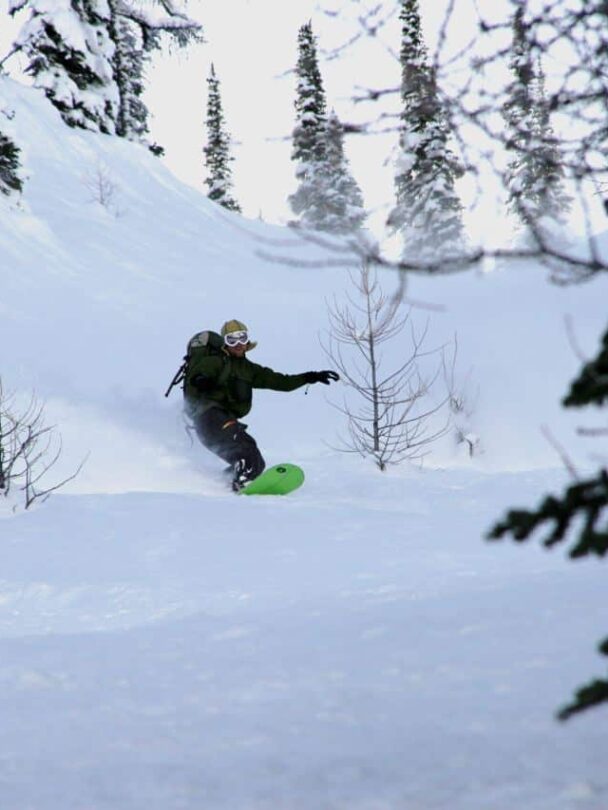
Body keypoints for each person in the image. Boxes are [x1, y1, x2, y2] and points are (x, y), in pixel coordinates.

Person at [184, 319, 339, 491]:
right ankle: (242, 483)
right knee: (246, 452)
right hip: (209, 418)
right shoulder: (215, 361)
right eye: (231, 340)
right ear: (224, 343)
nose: (238, 344)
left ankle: (221, 487)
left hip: (223, 421)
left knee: (256, 461)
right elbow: (197, 376)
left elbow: (282, 382)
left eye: (241, 338)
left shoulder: (249, 369)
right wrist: (201, 380)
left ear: (247, 341)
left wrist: (311, 376)